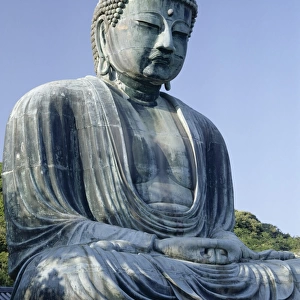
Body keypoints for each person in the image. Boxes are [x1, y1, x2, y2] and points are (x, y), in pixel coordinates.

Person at [3, 0, 300, 299]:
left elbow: (217, 228)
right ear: (105, 33)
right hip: (117, 263)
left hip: (196, 266)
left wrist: (230, 244)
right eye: (149, 26)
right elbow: (43, 230)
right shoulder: (51, 105)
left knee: (295, 276)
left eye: (181, 34)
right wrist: (155, 244)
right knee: (76, 276)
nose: (168, 44)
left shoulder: (205, 131)